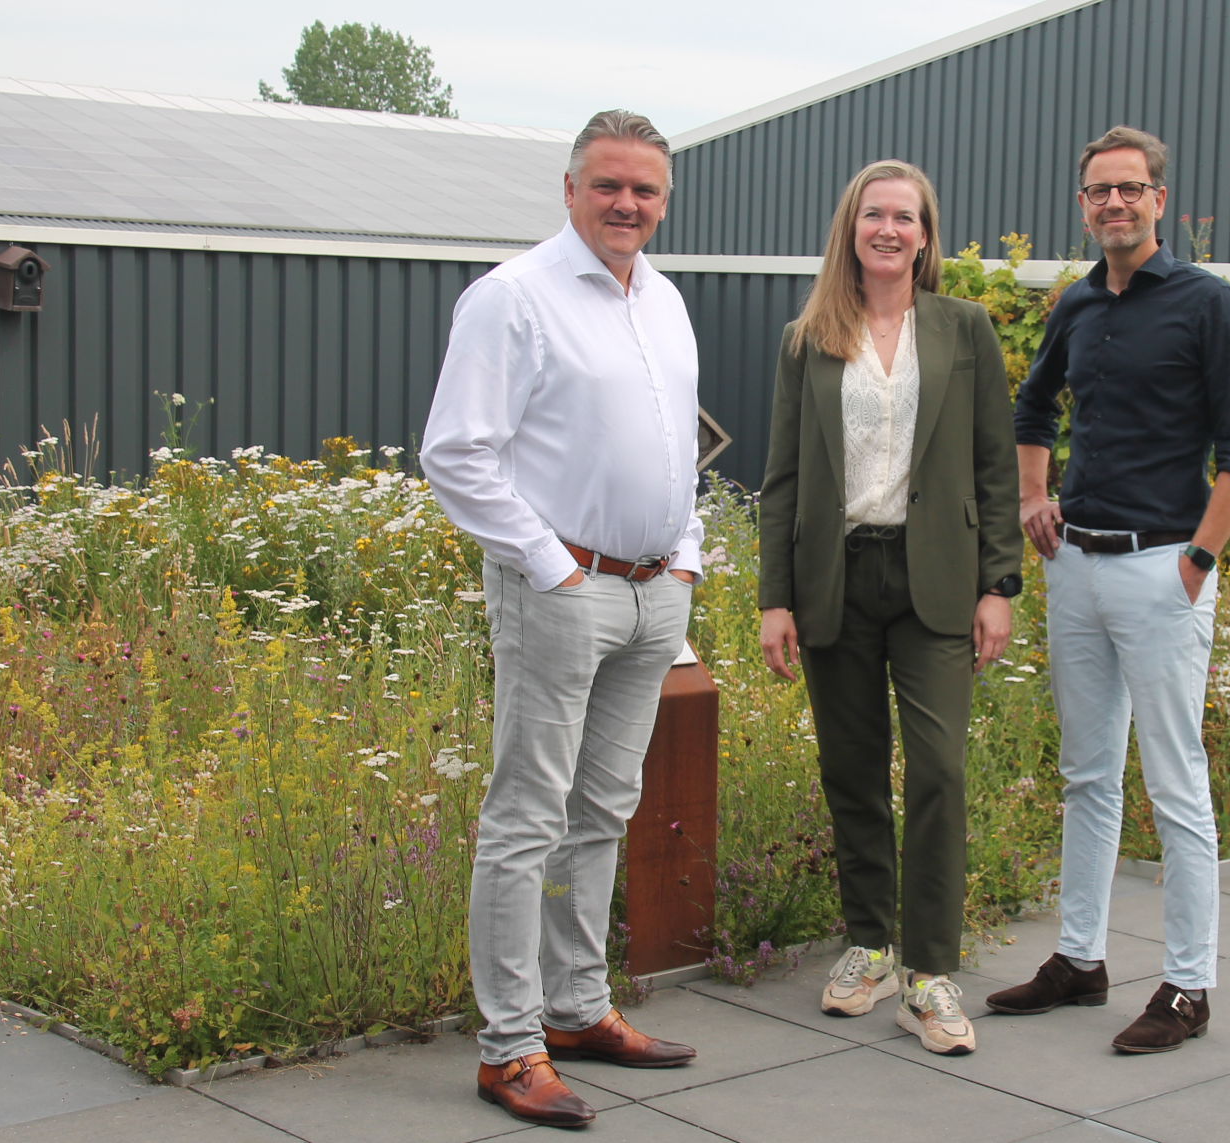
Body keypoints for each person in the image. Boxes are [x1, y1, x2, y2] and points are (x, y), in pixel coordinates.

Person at [421, 109, 703, 1129]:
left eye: (646, 190)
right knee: (525, 818)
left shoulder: (663, 300)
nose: (628, 204)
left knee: (601, 811)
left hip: (651, 589)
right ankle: (509, 1048)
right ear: (571, 188)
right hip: (563, 589)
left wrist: (686, 556)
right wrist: (547, 564)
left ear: (663, 200)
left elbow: (677, 442)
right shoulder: (513, 299)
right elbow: (455, 452)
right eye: (608, 186)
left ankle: (578, 1011)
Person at [987, 126, 1230, 1054]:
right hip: (1079, 567)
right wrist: (1036, 495)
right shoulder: (1075, 305)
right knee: (1087, 775)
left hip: (1162, 570)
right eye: (1100, 191)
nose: (1115, 203)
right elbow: (1031, 409)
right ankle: (1081, 959)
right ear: (1084, 204)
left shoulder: (1206, 305)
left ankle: (1188, 986)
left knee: (1176, 782)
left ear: (1159, 200)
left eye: (1131, 190)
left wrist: (1198, 564)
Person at [758, 160, 1023, 1056]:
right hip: (836, 578)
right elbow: (783, 482)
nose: (889, 229)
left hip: (935, 580)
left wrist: (1000, 584)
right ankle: (867, 945)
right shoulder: (809, 339)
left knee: (940, 770)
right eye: (874, 214)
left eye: (904, 217)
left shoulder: (965, 331)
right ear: (852, 228)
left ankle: (930, 972)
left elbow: (996, 467)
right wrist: (773, 601)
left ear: (925, 233)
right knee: (854, 771)